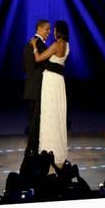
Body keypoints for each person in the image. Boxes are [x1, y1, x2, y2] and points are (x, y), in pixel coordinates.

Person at [30, 20, 70, 167]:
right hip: (59, 82)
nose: (52, 32)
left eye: (54, 30)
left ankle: (48, 150)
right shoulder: (67, 46)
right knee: (58, 115)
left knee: (49, 114)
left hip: (51, 82)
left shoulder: (56, 44)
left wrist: (35, 46)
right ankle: (59, 150)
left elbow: (38, 58)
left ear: (59, 31)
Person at [23, 20, 51, 155]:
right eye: (47, 29)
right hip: (38, 87)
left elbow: (26, 67)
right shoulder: (39, 45)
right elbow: (46, 65)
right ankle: (31, 149)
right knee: (36, 119)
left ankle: (32, 148)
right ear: (39, 28)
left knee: (33, 118)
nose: (49, 32)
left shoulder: (29, 43)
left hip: (30, 86)